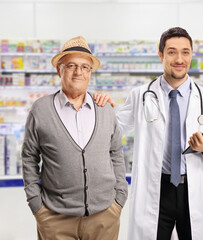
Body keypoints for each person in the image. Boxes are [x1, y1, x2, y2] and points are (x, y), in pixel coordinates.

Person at [95, 27, 203, 240]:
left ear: (191, 55)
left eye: (185, 52)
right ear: (161, 55)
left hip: (194, 190)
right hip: (156, 190)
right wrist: (102, 109)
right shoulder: (141, 95)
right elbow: (111, 132)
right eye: (172, 52)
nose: (179, 59)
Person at [22, 36, 128, 240]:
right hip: (55, 218)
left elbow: (116, 153)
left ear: (90, 72)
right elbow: (29, 157)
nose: (78, 72)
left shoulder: (104, 108)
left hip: (105, 215)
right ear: (59, 69)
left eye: (85, 67)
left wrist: (119, 199)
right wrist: (37, 206)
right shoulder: (41, 109)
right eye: (71, 65)